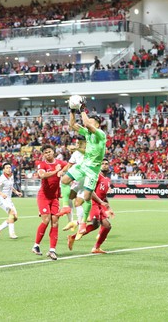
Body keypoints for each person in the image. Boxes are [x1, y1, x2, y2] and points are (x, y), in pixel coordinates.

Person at [59, 99, 107, 239]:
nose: (89, 123)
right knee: (64, 179)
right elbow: (72, 124)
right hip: (83, 165)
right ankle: (66, 207)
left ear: (97, 124)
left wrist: (81, 108)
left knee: (86, 197)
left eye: (92, 121)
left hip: (93, 170)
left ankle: (83, 223)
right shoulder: (87, 133)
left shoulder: (100, 135)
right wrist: (72, 110)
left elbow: (86, 123)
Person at [68, 159, 115, 254]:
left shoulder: (107, 180)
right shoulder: (96, 176)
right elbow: (90, 191)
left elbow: (103, 195)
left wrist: (108, 207)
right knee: (96, 222)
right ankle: (77, 223)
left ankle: (95, 247)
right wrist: (101, 202)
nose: (105, 165)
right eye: (103, 164)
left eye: (106, 164)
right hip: (93, 203)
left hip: (100, 204)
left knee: (106, 226)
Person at [32, 144, 69, 260]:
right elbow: (42, 176)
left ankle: (52, 250)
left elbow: (69, 165)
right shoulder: (42, 164)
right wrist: (56, 171)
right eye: (45, 152)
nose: (48, 154)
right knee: (46, 219)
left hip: (54, 197)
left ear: (53, 152)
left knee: (55, 221)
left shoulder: (59, 162)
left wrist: (62, 171)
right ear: (43, 155)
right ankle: (36, 246)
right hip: (43, 196)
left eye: (49, 151)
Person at [60, 135, 87, 232]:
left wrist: (76, 148)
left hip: (87, 180)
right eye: (77, 143)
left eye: (80, 143)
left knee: (78, 203)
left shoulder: (90, 150)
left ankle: (80, 225)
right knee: (70, 196)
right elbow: (69, 164)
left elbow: (86, 153)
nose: (78, 145)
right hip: (78, 179)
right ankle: (71, 220)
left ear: (85, 143)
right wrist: (61, 171)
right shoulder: (76, 153)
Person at [0, 162, 23, 240]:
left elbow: (10, 187)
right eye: (7, 168)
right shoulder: (1, 178)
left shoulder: (11, 176)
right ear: (3, 169)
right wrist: (1, 194)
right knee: (12, 213)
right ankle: (12, 234)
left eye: (10, 167)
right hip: (2, 199)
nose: (9, 169)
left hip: (8, 199)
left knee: (15, 218)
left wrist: (16, 192)